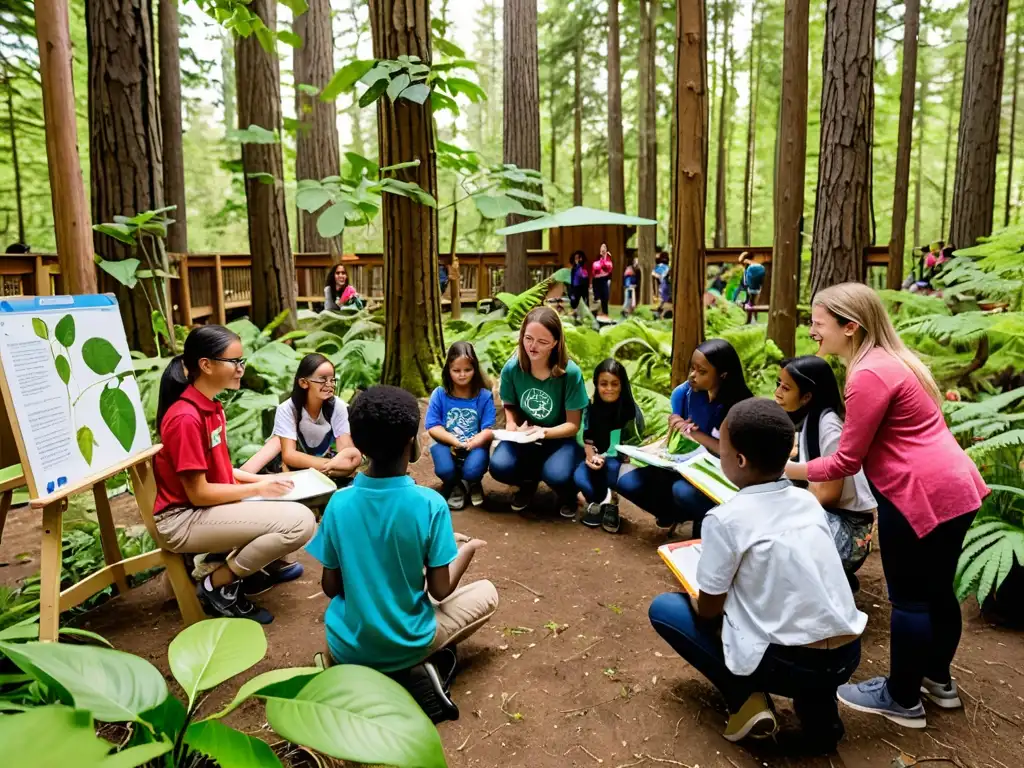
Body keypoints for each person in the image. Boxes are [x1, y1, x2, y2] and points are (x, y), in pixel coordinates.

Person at [785, 283, 988, 729]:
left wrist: (784, 469)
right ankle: (937, 681)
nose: (813, 332)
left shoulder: (867, 376)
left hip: (916, 493)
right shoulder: (893, 360)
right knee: (937, 591)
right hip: (955, 486)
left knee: (911, 599)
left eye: (819, 324)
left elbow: (845, 460)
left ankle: (901, 698)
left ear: (850, 327)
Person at [649, 399, 867, 749]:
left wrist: (698, 596)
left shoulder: (725, 519)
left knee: (667, 610)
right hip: (845, 656)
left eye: (724, 450)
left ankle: (746, 698)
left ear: (739, 460)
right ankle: (820, 711)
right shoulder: (808, 503)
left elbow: (709, 611)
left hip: (792, 664)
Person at [307, 385, 499, 672]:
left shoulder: (338, 503)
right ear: (412, 443)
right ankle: (420, 665)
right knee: (487, 593)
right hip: (409, 643)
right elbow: (440, 589)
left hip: (346, 646)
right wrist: (467, 550)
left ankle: (345, 665)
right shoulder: (430, 504)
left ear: (359, 445)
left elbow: (331, 586)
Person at [153, 325, 316, 624]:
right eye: (235, 362)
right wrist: (258, 491)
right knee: (300, 523)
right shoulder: (185, 419)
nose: (241, 369)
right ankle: (217, 586)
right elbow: (198, 493)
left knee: (291, 503)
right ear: (206, 365)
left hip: (206, 509)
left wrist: (262, 481)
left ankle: (233, 568)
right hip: (182, 519)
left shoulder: (211, 407)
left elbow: (219, 470)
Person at [617, 338, 753, 537]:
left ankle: (710, 526)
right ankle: (674, 515)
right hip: (683, 464)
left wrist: (695, 434)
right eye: (692, 368)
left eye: (702, 371)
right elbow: (676, 435)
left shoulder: (740, 407)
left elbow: (730, 452)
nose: (692, 375)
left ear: (723, 375)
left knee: (683, 491)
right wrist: (673, 430)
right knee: (628, 483)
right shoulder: (685, 393)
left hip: (721, 476)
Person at [774, 356, 876, 590]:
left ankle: (833, 578)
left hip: (849, 531)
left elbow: (828, 493)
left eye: (786, 388)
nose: (778, 392)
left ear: (807, 396)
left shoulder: (828, 427)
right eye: (778, 384)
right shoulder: (809, 418)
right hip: (831, 518)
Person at [490, 306, 589, 518]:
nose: (532, 346)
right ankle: (528, 483)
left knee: (557, 473)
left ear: (555, 343)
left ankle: (568, 493)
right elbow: (509, 403)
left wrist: (543, 432)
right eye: (528, 338)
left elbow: (573, 425)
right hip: (524, 437)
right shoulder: (512, 368)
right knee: (499, 466)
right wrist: (511, 424)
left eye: (542, 342)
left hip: (561, 438)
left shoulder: (570, 373)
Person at [268, 353, 362, 485]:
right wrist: (334, 465)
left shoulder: (338, 407)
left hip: (325, 471)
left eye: (332, 379)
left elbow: (347, 454)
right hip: (290, 472)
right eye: (323, 379)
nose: (329, 384)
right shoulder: (287, 409)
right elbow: (289, 455)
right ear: (303, 383)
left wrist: (342, 464)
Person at [574, 359, 644, 533]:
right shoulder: (589, 408)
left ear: (622, 385)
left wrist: (608, 455)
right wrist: (590, 454)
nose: (609, 389)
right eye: (604, 384)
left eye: (615, 384)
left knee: (611, 468)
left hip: (617, 458)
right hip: (592, 455)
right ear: (596, 384)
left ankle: (611, 503)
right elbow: (583, 434)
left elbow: (626, 442)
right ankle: (597, 502)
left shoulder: (629, 411)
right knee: (580, 476)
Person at [426, 342, 496, 511]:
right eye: (456, 370)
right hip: (446, 442)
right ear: (448, 370)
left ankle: (472, 481)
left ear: (475, 369)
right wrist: (454, 441)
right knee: (444, 469)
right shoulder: (439, 394)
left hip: (474, 444)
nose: (462, 375)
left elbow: (488, 429)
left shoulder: (484, 396)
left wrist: (474, 442)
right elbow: (433, 426)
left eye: (468, 370)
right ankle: (455, 484)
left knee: (472, 469)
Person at [738, 253, 766, 324]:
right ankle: (752, 320)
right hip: (756, 288)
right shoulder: (757, 266)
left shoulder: (748, 266)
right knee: (753, 304)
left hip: (749, 288)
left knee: (750, 303)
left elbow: (745, 280)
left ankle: (749, 321)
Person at [591, 243, 613, 317]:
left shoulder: (608, 260)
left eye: (605, 247)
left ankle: (605, 313)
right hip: (596, 280)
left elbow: (608, 268)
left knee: (605, 297)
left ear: (606, 249)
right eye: (602, 247)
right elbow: (594, 271)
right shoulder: (596, 261)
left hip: (604, 280)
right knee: (597, 298)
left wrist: (605, 258)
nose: (603, 248)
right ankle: (597, 313)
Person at [653, 252, 671, 318]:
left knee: (663, 300)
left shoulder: (658, 267)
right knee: (665, 300)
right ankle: (660, 313)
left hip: (663, 285)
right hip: (666, 285)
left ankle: (659, 313)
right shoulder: (667, 267)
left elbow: (654, 275)